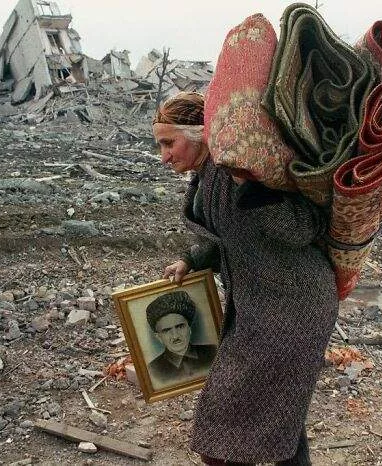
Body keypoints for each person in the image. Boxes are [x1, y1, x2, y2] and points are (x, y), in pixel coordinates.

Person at [153, 91, 338, 466]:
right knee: (280, 412)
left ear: (198, 133)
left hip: (295, 307)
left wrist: (257, 190)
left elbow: (303, 228)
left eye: (168, 143)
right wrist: (191, 260)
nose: (164, 156)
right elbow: (228, 239)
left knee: (228, 427)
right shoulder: (206, 179)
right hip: (260, 308)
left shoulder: (240, 171)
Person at [146, 291, 218, 388]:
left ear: (189, 328)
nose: (175, 336)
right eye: (167, 330)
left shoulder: (215, 352)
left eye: (180, 327)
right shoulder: (153, 370)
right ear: (158, 337)